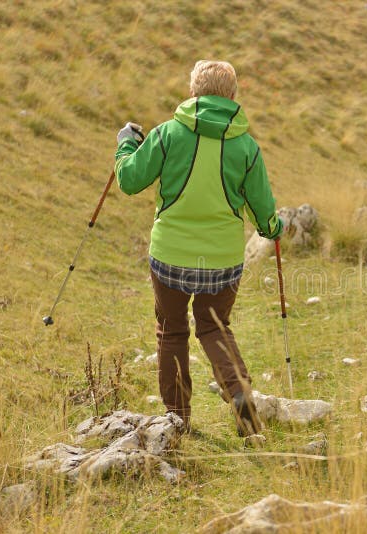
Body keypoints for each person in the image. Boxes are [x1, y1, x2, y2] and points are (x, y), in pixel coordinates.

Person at [113, 60, 282, 436]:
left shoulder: (167, 134)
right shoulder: (246, 147)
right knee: (214, 326)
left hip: (169, 257)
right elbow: (264, 215)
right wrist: (275, 227)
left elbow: (128, 179)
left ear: (193, 93)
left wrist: (126, 144)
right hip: (222, 262)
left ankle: (177, 422)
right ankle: (239, 393)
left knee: (172, 330)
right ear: (233, 96)